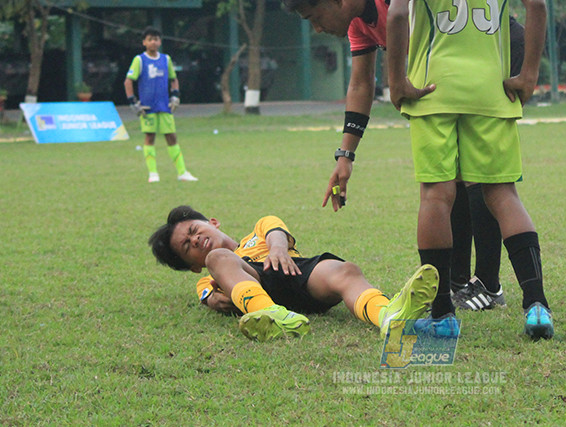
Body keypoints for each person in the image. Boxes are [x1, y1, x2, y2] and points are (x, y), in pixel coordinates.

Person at [376, 0, 553, 339]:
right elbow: (535, 2)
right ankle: (536, 305)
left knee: (437, 194)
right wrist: (529, 74)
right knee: (502, 193)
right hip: (492, 91)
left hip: (432, 92)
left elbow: (394, 14)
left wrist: (396, 83)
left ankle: (442, 315)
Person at [282, 0, 516, 312]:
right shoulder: (358, 20)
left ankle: (488, 284)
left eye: (314, 19)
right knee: (449, 179)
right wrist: (345, 156)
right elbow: (361, 84)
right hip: (451, 79)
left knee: (478, 179)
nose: (317, 29)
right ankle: (457, 282)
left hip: (493, 53)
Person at [148, 205, 438, 342]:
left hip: (293, 270)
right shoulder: (209, 271)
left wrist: (277, 249)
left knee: (345, 271)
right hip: (255, 283)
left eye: (194, 231)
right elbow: (208, 296)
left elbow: (277, 232)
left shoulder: (259, 228)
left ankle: (387, 316)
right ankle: (271, 314)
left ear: (212, 221)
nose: (195, 240)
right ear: (193, 266)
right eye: (187, 247)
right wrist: (212, 299)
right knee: (220, 257)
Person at [123, 27, 198, 183]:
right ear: (144, 42)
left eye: (156, 39)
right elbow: (128, 81)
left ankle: (182, 172)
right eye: (150, 39)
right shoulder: (139, 60)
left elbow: (173, 78)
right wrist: (133, 102)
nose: (153, 42)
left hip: (164, 106)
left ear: (160, 41)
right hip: (147, 107)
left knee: (171, 136)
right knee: (150, 137)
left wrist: (175, 96)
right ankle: (153, 174)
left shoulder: (166, 59)